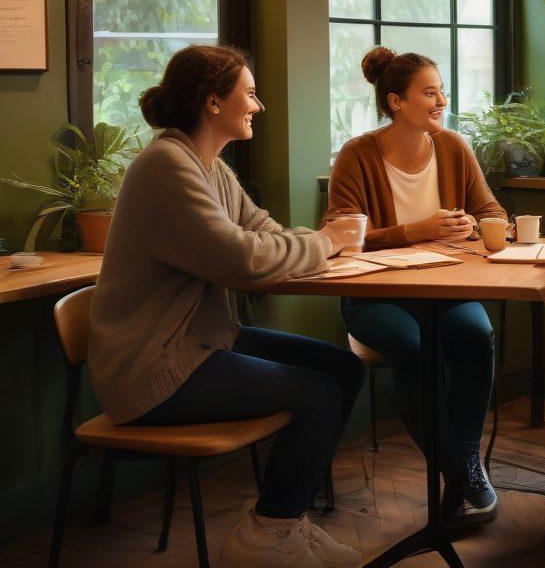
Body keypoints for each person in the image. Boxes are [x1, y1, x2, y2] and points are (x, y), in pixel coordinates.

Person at [88, 45, 365, 568]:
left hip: (201, 343)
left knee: (343, 368)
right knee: (319, 393)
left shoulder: (208, 166)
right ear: (213, 102)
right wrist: (325, 242)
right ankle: (271, 531)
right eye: (251, 94)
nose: (258, 106)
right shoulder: (165, 166)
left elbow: (260, 229)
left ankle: (285, 522)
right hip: (155, 370)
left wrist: (306, 243)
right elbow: (239, 258)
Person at [327, 47, 507, 524]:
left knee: (477, 336)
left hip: (444, 288)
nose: (441, 100)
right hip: (374, 295)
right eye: (429, 92)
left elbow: (493, 212)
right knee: (414, 347)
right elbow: (339, 236)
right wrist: (413, 232)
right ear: (396, 102)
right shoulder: (357, 155)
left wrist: (475, 225)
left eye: (441, 89)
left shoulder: (452, 147)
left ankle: (463, 460)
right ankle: (461, 468)